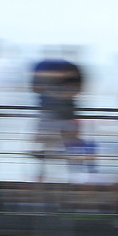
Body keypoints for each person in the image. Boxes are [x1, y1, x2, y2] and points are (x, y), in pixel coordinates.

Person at [30, 49, 84, 181]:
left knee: (69, 146)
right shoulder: (42, 67)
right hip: (50, 112)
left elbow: (76, 88)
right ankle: (43, 176)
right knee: (46, 146)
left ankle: (72, 178)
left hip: (65, 113)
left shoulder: (71, 67)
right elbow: (35, 87)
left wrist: (56, 92)